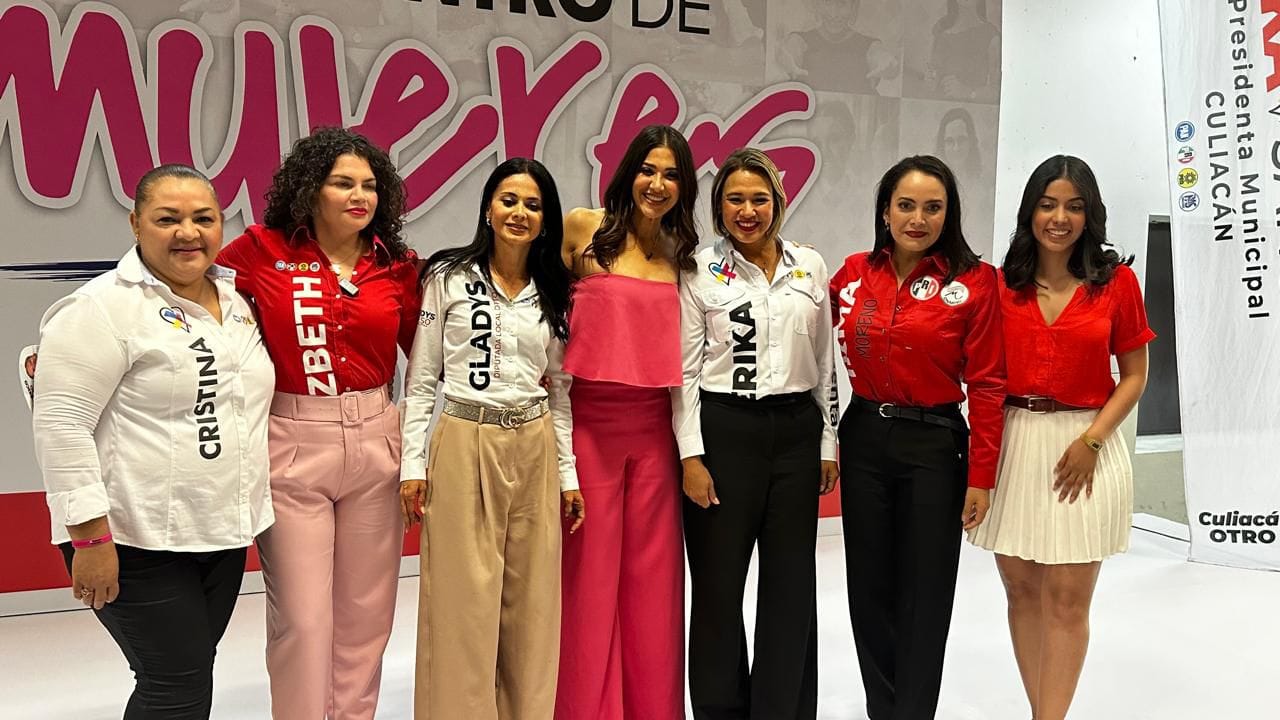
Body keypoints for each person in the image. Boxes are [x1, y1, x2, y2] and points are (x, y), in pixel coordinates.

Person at [32, 164, 275, 719]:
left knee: (188, 673)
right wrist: (90, 539)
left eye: (203, 219)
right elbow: (61, 424)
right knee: (174, 684)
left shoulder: (237, 302)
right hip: (131, 536)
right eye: (168, 219)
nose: (188, 233)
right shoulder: (101, 308)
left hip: (215, 531)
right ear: (135, 224)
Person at [216, 127, 421, 720]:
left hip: (377, 440)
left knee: (365, 617)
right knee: (303, 620)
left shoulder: (398, 266)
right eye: (342, 183)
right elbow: (190, 301)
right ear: (310, 189)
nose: (360, 196)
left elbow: (433, 358)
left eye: (369, 185)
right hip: (291, 441)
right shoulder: (260, 250)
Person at [969, 155, 1153, 720]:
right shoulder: (1000, 286)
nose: (1059, 218)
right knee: (1022, 591)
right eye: (1048, 204)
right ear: (1029, 211)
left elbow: (1135, 376)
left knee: (1069, 602)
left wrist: (1092, 441)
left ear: (1090, 214)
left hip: (1085, 446)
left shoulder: (1117, 283)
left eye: (1074, 207)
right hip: (1014, 444)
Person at [399, 157, 581, 719]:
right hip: (464, 438)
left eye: (533, 205)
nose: (519, 213)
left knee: (531, 603)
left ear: (546, 220)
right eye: (509, 200)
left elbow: (559, 392)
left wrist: (568, 475)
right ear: (487, 209)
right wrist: (412, 464)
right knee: (462, 603)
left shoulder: (556, 291)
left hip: (533, 443)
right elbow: (421, 379)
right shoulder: (448, 277)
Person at [829, 154, 1005, 720]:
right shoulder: (852, 274)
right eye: (906, 205)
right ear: (885, 211)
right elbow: (814, 354)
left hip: (934, 446)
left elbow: (988, 384)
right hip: (864, 439)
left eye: (933, 208)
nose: (918, 219)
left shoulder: (975, 282)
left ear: (949, 214)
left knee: (925, 596)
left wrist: (981, 476)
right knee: (868, 589)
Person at [674, 148, 839, 720]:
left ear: (778, 202)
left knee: (790, 589)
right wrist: (691, 457)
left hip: (796, 433)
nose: (748, 211)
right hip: (724, 434)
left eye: (759, 199)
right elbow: (684, 374)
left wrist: (827, 442)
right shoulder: (698, 270)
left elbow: (825, 363)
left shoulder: (809, 266)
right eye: (735, 200)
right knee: (718, 591)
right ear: (719, 206)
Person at [555, 124, 698, 720]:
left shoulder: (683, 257)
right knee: (586, 582)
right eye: (647, 169)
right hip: (587, 428)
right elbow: (541, 316)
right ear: (627, 171)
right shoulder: (581, 228)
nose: (657, 184)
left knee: (652, 587)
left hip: (655, 433)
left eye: (671, 175)